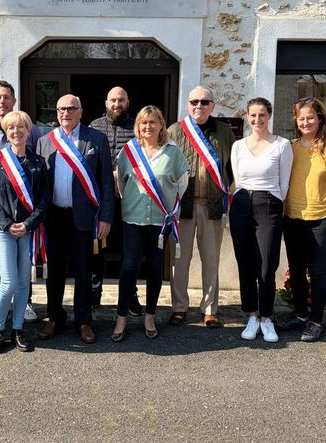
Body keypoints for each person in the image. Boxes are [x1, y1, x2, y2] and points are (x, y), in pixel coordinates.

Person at [36, 95, 114, 344]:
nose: (66, 113)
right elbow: (39, 183)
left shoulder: (96, 139)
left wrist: (106, 217)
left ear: (81, 111)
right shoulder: (45, 141)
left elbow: (106, 182)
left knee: (83, 271)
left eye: (71, 108)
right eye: (61, 109)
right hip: (54, 217)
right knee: (54, 271)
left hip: (84, 218)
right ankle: (54, 317)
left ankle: (83, 320)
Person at [111, 106, 188, 342]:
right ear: (138, 125)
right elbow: (121, 184)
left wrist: (169, 206)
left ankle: (150, 316)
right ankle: (121, 318)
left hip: (160, 221)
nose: (148, 126)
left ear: (161, 125)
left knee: (155, 267)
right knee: (129, 267)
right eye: (144, 122)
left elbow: (182, 184)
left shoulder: (173, 152)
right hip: (133, 219)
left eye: (153, 122)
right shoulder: (129, 150)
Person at [281, 97, 326, 342]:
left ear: (320, 118)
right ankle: (300, 314)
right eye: (301, 118)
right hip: (292, 217)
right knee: (296, 271)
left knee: (317, 271)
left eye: (310, 117)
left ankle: (316, 321)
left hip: (321, 219)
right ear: (296, 121)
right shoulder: (289, 147)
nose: (306, 122)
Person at [166, 86, 235, 327]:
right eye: (194, 101)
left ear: (213, 105)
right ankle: (179, 307)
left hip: (212, 206)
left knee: (211, 260)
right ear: (188, 104)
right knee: (180, 260)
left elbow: (232, 167)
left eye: (205, 102)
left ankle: (209, 309)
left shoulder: (224, 131)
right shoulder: (175, 131)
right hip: (182, 207)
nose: (199, 106)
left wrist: (230, 195)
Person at [0, 80, 43, 322]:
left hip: (26, 217)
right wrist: (3, 221)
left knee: (24, 270)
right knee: (2, 266)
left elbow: (39, 179)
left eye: (6, 97)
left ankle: (25, 305)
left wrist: (29, 221)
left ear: (14, 100)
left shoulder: (32, 132)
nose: (2, 101)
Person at [0, 111, 49, 353]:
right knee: (8, 281)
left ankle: (18, 329)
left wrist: (28, 224)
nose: (16, 131)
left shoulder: (39, 163)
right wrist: (7, 223)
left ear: (28, 131)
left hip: (28, 230)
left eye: (21, 127)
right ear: (6, 131)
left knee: (23, 282)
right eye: (11, 127)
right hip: (2, 230)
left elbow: (44, 199)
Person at [229, 97, 293, 344]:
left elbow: (284, 183)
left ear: (269, 115)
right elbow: (238, 179)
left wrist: (272, 203)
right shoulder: (238, 146)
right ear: (247, 116)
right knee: (245, 263)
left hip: (269, 204)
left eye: (262, 115)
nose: (257, 119)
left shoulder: (282, 145)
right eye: (253, 115)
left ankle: (266, 317)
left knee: (266, 265)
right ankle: (252, 315)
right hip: (241, 204)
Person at [88, 86, 140, 313]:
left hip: (129, 199)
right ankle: (94, 293)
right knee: (97, 248)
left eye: (121, 100)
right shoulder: (94, 126)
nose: (117, 104)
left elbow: (146, 158)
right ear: (106, 103)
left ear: (128, 102)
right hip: (100, 200)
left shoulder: (138, 127)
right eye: (113, 100)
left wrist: (124, 174)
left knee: (129, 249)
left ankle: (130, 295)